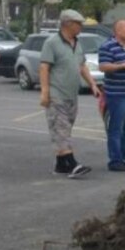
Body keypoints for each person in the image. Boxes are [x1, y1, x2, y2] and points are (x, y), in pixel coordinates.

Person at [38, 9, 100, 178]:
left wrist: (92, 84)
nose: (81, 27)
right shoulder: (52, 43)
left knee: (65, 129)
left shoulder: (77, 43)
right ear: (68, 24)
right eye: (78, 24)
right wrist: (45, 92)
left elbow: (82, 66)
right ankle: (72, 165)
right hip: (56, 94)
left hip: (72, 94)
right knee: (61, 128)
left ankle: (60, 165)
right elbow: (44, 67)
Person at [97, 19, 125, 171]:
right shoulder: (108, 46)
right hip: (117, 94)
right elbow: (103, 66)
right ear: (119, 31)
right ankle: (115, 160)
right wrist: (123, 65)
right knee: (116, 128)